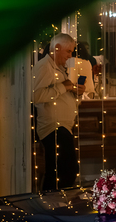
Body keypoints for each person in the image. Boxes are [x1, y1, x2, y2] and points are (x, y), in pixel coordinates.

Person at [32, 33, 83, 190]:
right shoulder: (44, 66)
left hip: (62, 127)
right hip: (53, 128)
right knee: (65, 172)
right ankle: (52, 205)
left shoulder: (59, 68)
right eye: (68, 51)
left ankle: (54, 204)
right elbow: (36, 96)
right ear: (57, 48)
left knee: (61, 172)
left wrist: (77, 93)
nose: (70, 56)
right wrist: (65, 87)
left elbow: (61, 96)